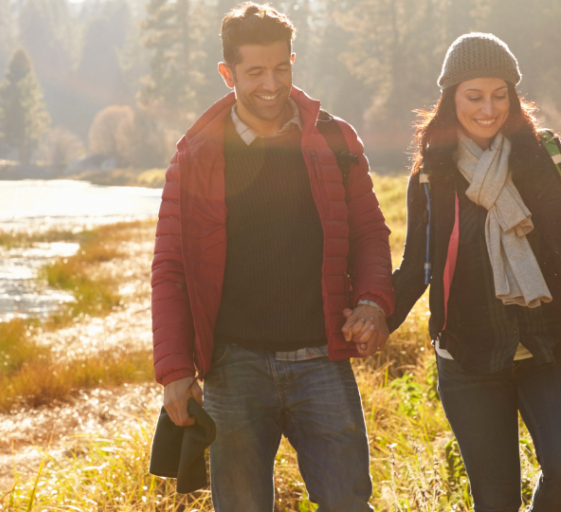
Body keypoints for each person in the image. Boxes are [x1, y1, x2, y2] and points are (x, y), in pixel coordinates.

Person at [150, 3, 395, 510]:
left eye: (281, 68)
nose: (271, 83)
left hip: (322, 360)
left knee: (350, 503)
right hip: (232, 367)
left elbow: (369, 232)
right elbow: (170, 267)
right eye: (255, 71)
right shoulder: (195, 155)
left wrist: (373, 300)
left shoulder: (334, 139)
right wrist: (175, 371)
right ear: (228, 74)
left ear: (292, 62)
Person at [387, 33, 561, 512]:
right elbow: (418, 264)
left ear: (514, 95)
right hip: (468, 354)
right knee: (495, 499)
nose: (488, 109)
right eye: (474, 96)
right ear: (451, 98)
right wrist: (377, 317)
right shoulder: (432, 171)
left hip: (550, 345)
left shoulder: (545, 155)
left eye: (500, 95)